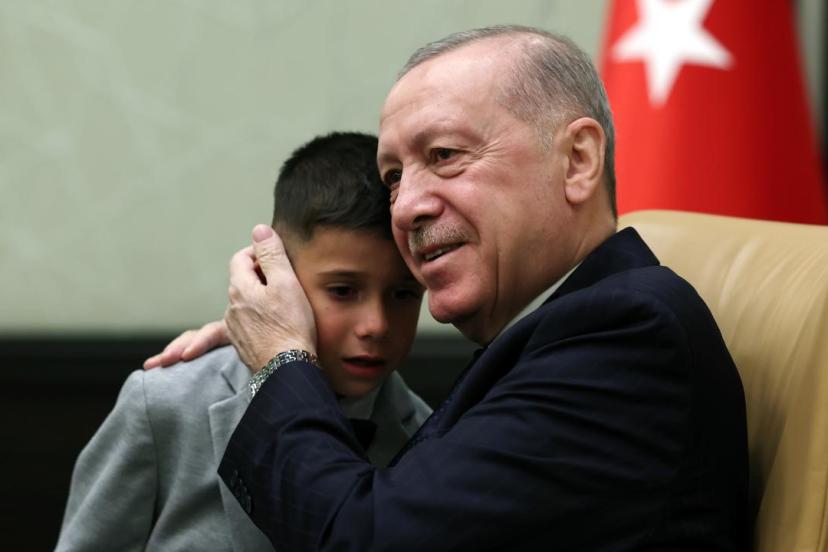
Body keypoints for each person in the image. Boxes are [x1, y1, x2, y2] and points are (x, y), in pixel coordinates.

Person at [166, 25, 749, 550]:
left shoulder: (626, 336)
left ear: (577, 160)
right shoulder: (556, 330)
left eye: (444, 155)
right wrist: (294, 336)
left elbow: (365, 539)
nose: (405, 208)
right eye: (394, 177)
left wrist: (279, 360)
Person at [55, 132, 431, 551]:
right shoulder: (165, 405)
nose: (376, 325)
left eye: (404, 294)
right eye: (343, 291)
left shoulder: (428, 435)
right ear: (274, 277)